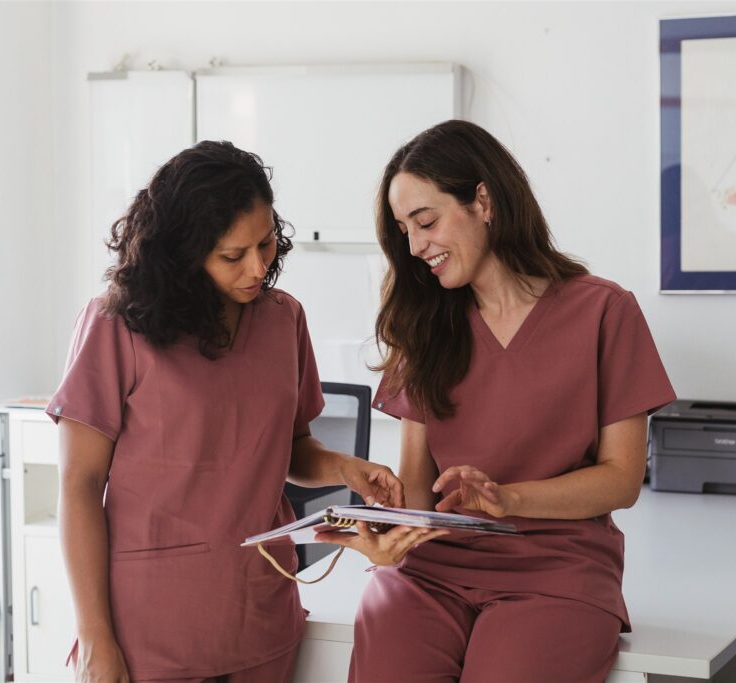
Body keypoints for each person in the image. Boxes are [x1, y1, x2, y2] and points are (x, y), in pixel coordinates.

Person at [48, 140, 418, 683]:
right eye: (231, 255)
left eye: (266, 243)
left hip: (259, 616)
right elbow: (79, 486)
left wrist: (345, 469)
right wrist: (96, 636)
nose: (257, 267)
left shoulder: (283, 320)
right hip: (147, 628)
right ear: (182, 251)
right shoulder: (115, 324)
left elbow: (290, 449)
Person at [333, 120, 677, 683]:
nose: (416, 246)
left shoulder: (604, 312)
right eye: (405, 231)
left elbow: (621, 479)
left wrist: (506, 498)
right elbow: (419, 488)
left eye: (426, 221)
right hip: (431, 569)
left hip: (557, 570)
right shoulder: (424, 324)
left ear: (484, 201)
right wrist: (385, 526)